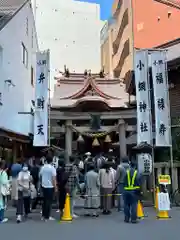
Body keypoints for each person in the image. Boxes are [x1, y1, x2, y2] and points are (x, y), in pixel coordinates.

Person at [39, 156, 57, 221]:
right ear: (52, 161)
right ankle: (47, 216)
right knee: (49, 202)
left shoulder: (43, 167)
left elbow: (40, 176)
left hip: (44, 186)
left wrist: (41, 183)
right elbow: (54, 179)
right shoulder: (52, 168)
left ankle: (43, 215)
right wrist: (55, 187)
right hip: (50, 186)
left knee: (44, 201)